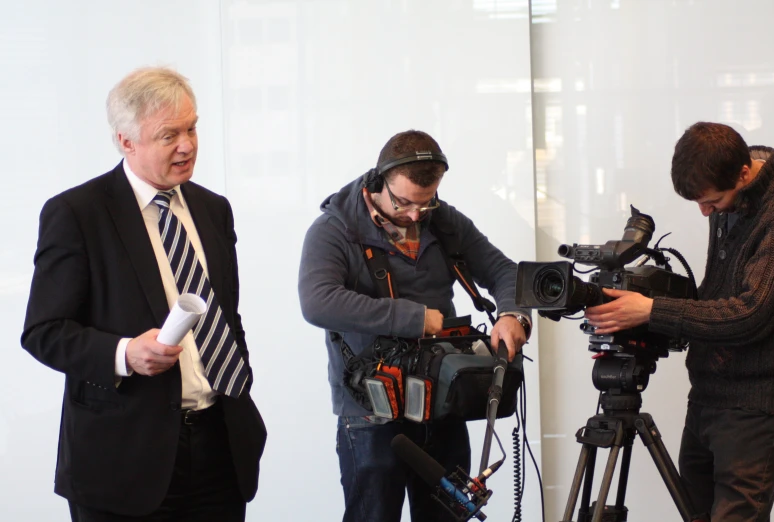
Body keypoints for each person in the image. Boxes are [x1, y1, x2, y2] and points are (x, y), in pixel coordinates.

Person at [21, 67, 266, 521]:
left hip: (221, 446)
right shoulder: (77, 213)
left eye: (192, 128)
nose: (188, 145)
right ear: (126, 141)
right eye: (169, 134)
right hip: (123, 458)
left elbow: (225, 317)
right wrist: (124, 353)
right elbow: (44, 332)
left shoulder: (214, 209)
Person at [298, 129, 531, 522]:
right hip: (371, 412)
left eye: (425, 204)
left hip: (443, 402)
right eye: (403, 202)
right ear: (377, 182)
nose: (413, 215)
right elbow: (318, 301)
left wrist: (512, 315)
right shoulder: (333, 230)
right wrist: (416, 319)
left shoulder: (443, 220)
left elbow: (505, 271)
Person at [584, 121, 774, 521]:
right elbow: (717, 295)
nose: (704, 212)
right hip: (706, 396)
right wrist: (637, 324)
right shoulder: (730, 192)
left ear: (744, 174)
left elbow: (749, 313)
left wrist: (651, 310)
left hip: (753, 410)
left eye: (712, 201)